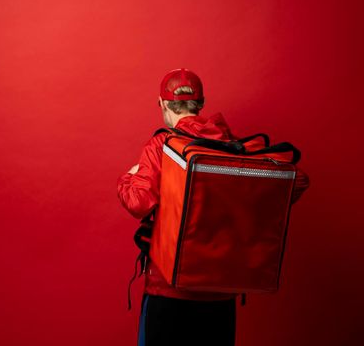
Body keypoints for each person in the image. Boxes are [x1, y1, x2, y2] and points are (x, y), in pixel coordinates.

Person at [116, 68, 310, 346]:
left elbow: (138, 203)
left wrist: (130, 177)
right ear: (202, 103)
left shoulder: (161, 145)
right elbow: (297, 181)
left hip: (167, 295)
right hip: (221, 296)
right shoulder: (230, 149)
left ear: (161, 103)